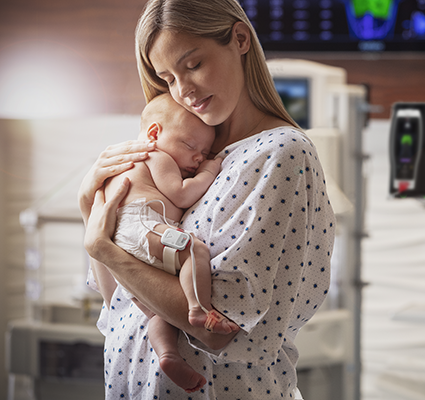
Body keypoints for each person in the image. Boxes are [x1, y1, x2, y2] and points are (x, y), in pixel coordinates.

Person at [79, 0, 335, 398]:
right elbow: (119, 307)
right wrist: (89, 208)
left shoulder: (278, 154)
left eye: (193, 65)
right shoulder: (182, 162)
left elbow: (218, 333)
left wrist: (104, 248)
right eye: (167, 79)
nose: (183, 91)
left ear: (239, 39)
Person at [103, 92, 239, 393]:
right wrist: (209, 170)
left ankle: (168, 355)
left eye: (204, 152)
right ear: (154, 133)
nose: (197, 157)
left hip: (130, 238)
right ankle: (198, 310)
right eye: (190, 145)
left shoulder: (130, 161)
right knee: (194, 249)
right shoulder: (154, 155)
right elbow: (181, 194)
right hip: (140, 224)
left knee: (157, 309)